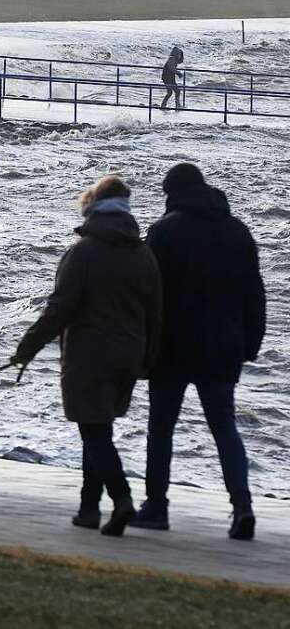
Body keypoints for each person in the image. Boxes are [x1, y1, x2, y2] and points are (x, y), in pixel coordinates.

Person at [13, 176, 162, 537]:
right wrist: (149, 358)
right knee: (98, 428)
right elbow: (156, 312)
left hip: (89, 355)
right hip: (129, 354)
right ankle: (88, 509)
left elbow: (59, 309)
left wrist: (27, 347)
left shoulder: (83, 253)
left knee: (94, 432)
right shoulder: (143, 254)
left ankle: (121, 499)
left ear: (92, 207)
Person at [131, 164, 266, 541]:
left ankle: (156, 507)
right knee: (224, 427)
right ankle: (242, 507)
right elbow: (254, 294)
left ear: (172, 192)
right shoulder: (238, 231)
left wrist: (142, 345)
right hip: (223, 346)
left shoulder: (165, 230)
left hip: (172, 346)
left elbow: (149, 293)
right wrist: (250, 343)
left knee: (161, 428)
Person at [160, 46, 183, 110]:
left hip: (169, 77)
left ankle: (164, 105)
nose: (179, 55)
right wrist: (178, 73)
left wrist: (182, 54)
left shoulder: (173, 59)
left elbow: (180, 61)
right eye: (178, 53)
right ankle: (177, 106)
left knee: (171, 92)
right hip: (168, 78)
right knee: (175, 91)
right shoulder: (172, 59)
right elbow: (171, 68)